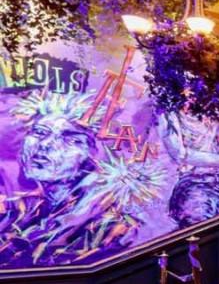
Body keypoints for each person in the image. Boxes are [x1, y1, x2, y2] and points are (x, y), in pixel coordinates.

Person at [0, 94, 141, 267]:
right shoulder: (23, 210)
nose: (45, 144)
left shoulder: (110, 226)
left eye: (71, 139)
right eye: (40, 132)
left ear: (93, 155)